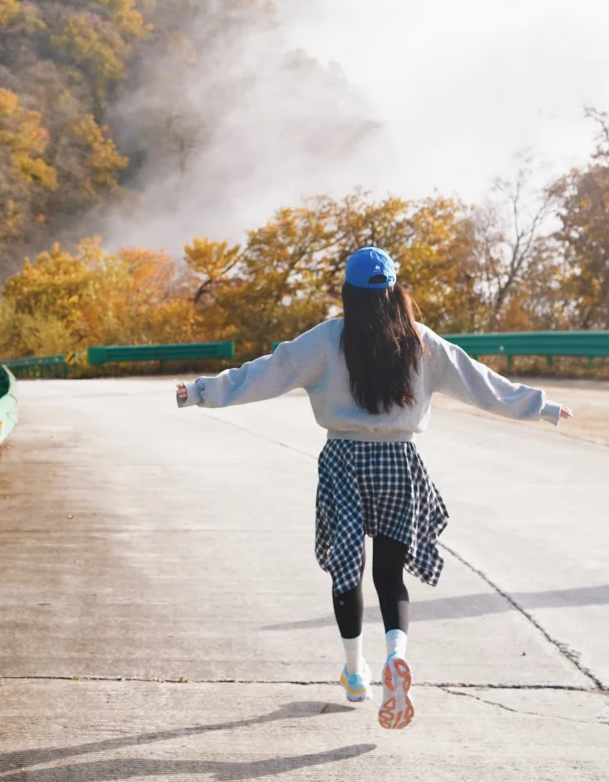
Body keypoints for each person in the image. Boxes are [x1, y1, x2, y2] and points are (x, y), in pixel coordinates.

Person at [175, 247, 572, 730]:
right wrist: (542, 406)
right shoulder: (420, 342)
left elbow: (266, 373)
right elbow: (480, 382)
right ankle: (394, 656)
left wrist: (200, 392)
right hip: (399, 463)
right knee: (389, 574)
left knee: (347, 570)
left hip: (344, 461)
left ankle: (354, 672)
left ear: (348, 293)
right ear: (394, 291)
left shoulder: (326, 341)